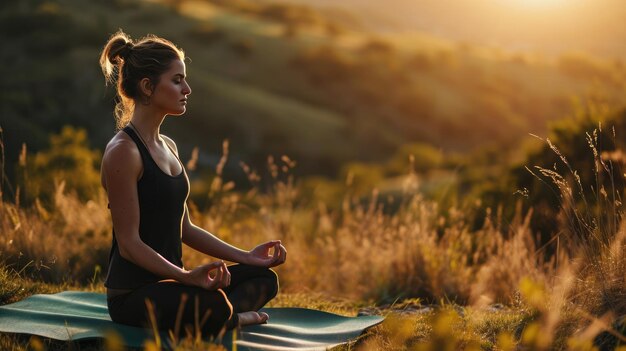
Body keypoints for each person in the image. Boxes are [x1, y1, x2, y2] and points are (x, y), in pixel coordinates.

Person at [98, 30, 287, 339]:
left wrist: (247, 256)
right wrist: (185, 276)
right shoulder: (123, 153)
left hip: (173, 286)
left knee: (263, 278)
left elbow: (184, 227)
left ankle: (226, 316)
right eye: (177, 80)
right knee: (213, 303)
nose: (187, 88)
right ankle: (228, 317)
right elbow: (129, 245)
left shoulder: (168, 145)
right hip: (134, 295)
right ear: (147, 87)